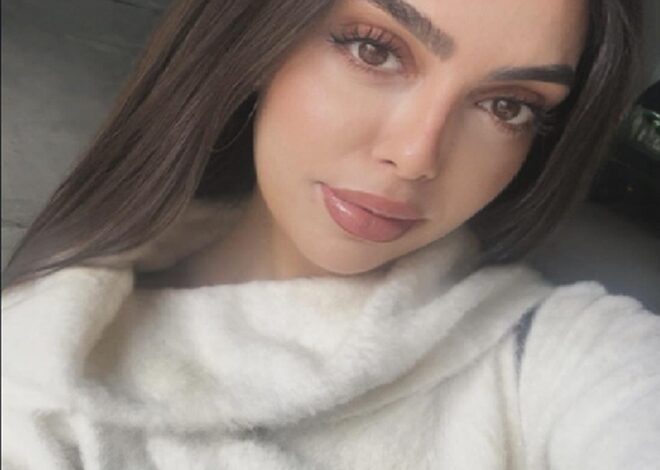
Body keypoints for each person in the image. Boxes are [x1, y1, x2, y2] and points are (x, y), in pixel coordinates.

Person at [2, 0, 658, 468]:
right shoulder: (37, 355)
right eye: (375, 49)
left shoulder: (558, 350)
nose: (416, 156)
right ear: (259, 37)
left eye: (506, 106)